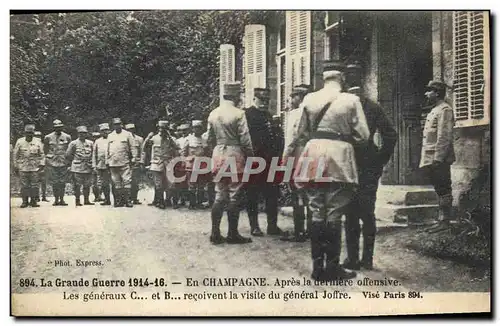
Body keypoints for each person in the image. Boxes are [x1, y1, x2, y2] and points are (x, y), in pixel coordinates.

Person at [283, 60, 370, 281]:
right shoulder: (351, 100)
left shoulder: (310, 99)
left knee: (315, 210)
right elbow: (364, 136)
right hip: (339, 157)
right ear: (341, 77)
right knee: (334, 212)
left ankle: (316, 267)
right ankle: (333, 267)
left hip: (312, 154)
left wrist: (287, 158)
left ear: (323, 78)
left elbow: (297, 133)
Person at [342, 62, 398, 271]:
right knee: (367, 213)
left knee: (351, 214)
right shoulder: (372, 107)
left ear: (346, 81)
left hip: (347, 165)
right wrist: (379, 159)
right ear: (363, 80)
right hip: (367, 166)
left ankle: (353, 259)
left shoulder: (341, 106)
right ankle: (367, 259)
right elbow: (391, 135)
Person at [207, 82, 254, 244]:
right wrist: (250, 156)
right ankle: (233, 234)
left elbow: (209, 139)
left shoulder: (213, 114)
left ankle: (215, 233)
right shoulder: (238, 114)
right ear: (235, 96)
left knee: (220, 193)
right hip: (235, 154)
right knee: (235, 193)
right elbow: (245, 139)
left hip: (218, 154)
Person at [245, 88, 283, 236]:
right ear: (254, 99)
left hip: (270, 160)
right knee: (252, 193)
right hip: (254, 159)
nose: (264, 103)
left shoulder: (269, 116)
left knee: (272, 193)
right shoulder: (247, 115)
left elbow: (276, 137)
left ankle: (272, 226)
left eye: (266, 101)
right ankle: (254, 226)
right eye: (261, 100)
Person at [419, 80, 456, 228]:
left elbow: (444, 136)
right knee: (439, 188)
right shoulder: (435, 109)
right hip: (431, 156)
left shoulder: (445, 110)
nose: (426, 93)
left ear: (437, 93)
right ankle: (441, 220)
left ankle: (444, 221)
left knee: (443, 188)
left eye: (429, 91)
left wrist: (439, 158)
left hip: (438, 157)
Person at [280, 85, 311, 242]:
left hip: (298, 154)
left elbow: (291, 139)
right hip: (312, 153)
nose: (291, 100)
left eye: (294, 96)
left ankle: (299, 231)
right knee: (311, 193)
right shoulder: (315, 111)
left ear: (300, 97)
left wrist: (285, 159)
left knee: (297, 193)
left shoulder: (296, 113)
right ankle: (312, 230)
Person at [141, 120, 179, 209]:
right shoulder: (154, 138)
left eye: (165, 128)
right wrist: (147, 138)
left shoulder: (171, 139)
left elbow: (176, 147)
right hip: (156, 164)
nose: (163, 130)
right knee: (158, 184)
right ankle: (160, 202)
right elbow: (144, 147)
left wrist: (169, 136)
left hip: (168, 163)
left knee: (171, 184)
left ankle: (171, 201)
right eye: (161, 128)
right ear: (158, 128)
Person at [106, 118, 138, 208]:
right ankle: (118, 201)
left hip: (124, 161)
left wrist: (134, 157)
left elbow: (133, 147)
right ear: (113, 125)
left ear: (122, 124)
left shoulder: (127, 134)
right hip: (113, 162)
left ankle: (128, 200)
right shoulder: (110, 135)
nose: (117, 126)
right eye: (115, 124)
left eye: (119, 124)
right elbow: (107, 149)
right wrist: (106, 161)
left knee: (127, 181)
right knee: (116, 182)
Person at [13, 124, 45, 208]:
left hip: (35, 167)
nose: (29, 134)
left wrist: (42, 164)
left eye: (31, 133)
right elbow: (15, 155)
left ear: (33, 133)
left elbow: (41, 154)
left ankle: (33, 201)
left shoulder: (37, 141)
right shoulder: (20, 141)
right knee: (24, 185)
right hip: (23, 166)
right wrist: (15, 165)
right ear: (24, 133)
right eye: (27, 133)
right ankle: (25, 201)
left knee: (34, 185)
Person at [183, 120, 210, 209]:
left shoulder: (204, 140)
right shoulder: (189, 139)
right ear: (193, 129)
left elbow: (207, 152)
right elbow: (184, 152)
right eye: (195, 128)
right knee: (192, 184)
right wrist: (185, 162)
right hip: (191, 165)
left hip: (202, 165)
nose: (197, 130)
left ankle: (199, 203)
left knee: (201, 185)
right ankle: (192, 203)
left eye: (199, 128)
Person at [44, 119, 72, 206]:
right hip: (52, 162)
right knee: (55, 182)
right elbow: (45, 150)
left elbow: (70, 150)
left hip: (63, 162)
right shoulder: (48, 137)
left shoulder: (67, 137)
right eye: (56, 127)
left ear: (62, 127)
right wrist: (48, 160)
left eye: (60, 127)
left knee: (62, 182)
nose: (58, 129)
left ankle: (62, 199)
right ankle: (56, 199)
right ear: (53, 128)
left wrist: (69, 162)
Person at [66, 126, 95, 206]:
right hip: (77, 167)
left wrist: (92, 164)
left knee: (87, 184)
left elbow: (93, 154)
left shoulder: (90, 143)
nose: (82, 135)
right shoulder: (73, 143)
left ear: (86, 134)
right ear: (78, 134)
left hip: (88, 166)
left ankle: (86, 200)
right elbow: (68, 155)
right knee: (77, 185)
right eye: (81, 133)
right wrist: (71, 164)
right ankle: (77, 200)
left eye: (84, 133)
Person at [92, 123, 112, 206]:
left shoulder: (112, 139)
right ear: (100, 132)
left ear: (109, 130)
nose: (105, 132)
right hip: (101, 165)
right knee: (103, 183)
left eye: (106, 130)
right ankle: (107, 199)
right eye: (103, 131)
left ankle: (118, 199)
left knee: (115, 182)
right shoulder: (97, 141)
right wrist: (94, 165)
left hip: (112, 165)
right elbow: (94, 154)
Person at [125, 123, 144, 205]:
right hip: (125, 162)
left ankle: (134, 198)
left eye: (132, 129)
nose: (130, 131)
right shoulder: (123, 138)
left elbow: (142, 152)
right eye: (129, 129)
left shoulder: (139, 139)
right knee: (126, 181)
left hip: (136, 163)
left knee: (135, 181)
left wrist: (141, 162)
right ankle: (127, 198)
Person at [174, 123, 190, 207]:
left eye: (185, 130)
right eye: (181, 130)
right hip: (179, 162)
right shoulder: (178, 140)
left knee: (188, 182)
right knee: (179, 181)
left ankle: (187, 199)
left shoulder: (190, 139)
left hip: (188, 162)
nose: (183, 132)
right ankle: (180, 199)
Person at [34, 131, 49, 202]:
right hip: (35, 166)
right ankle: (37, 197)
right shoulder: (32, 145)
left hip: (44, 165)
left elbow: (46, 154)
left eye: (39, 136)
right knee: (36, 182)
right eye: (36, 136)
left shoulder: (43, 145)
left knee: (44, 182)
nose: (38, 137)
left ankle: (44, 196)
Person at [90, 131, 103, 202]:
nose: (95, 138)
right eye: (94, 137)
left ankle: (99, 195)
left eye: (97, 137)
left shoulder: (100, 143)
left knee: (100, 182)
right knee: (94, 182)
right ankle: (96, 196)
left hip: (100, 165)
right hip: (92, 165)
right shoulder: (90, 144)